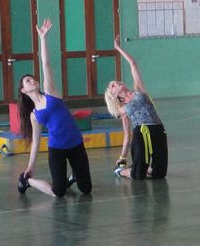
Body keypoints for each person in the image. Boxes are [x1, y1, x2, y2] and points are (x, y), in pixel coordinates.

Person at [16, 19, 92, 197]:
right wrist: (30, 166)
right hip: (57, 149)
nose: (32, 80)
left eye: (32, 78)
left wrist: (43, 38)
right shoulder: (34, 115)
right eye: (28, 81)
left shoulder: (50, 92)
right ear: (24, 90)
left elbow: (46, 64)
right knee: (58, 192)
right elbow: (36, 141)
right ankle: (27, 182)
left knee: (86, 189)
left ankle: (73, 177)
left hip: (76, 144)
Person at [104, 36, 168, 180]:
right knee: (138, 175)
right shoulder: (123, 110)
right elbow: (127, 135)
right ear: (114, 95)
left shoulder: (138, 89)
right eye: (113, 85)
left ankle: (140, 167)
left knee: (159, 174)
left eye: (116, 81)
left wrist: (118, 48)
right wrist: (122, 157)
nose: (117, 82)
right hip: (141, 134)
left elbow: (133, 63)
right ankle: (120, 171)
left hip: (158, 129)